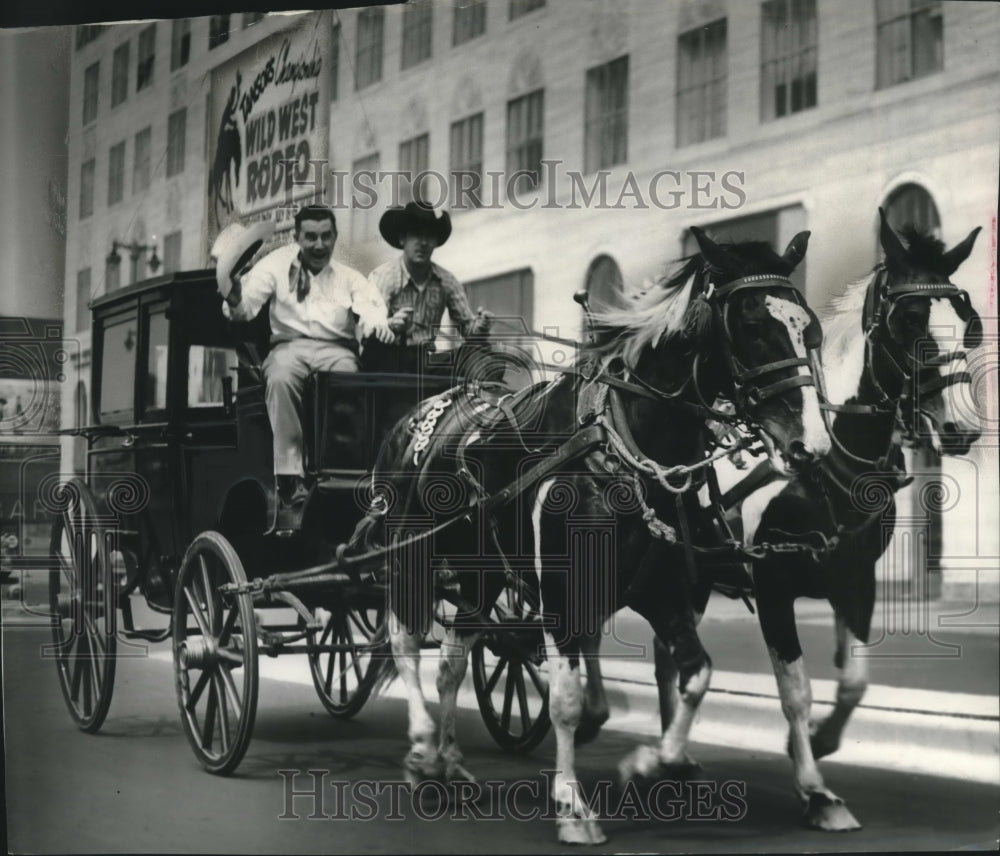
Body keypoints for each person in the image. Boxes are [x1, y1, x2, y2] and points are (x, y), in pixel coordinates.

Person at [218, 204, 394, 528]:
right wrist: (234, 297)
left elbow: (370, 307)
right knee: (280, 378)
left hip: (335, 349)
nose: (318, 245)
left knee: (350, 378)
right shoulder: (273, 267)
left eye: (326, 237)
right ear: (297, 237)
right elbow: (245, 308)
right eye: (310, 237)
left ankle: (341, 471)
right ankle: (289, 478)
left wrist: (374, 322)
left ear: (335, 237)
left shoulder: (348, 277)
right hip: (290, 346)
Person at [366, 201, 492, 374]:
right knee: (374, 353)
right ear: (403, 239)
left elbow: (467, 328)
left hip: (426, 362)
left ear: (436, 242)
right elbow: (368, 325)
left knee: (481, 355)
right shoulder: (384, 276)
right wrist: (390, 325)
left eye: (429, 236)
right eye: (416, 235)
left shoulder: (447, 281)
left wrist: (481, 326)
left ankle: (486, 397)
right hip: (389, 359)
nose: (423, 243)